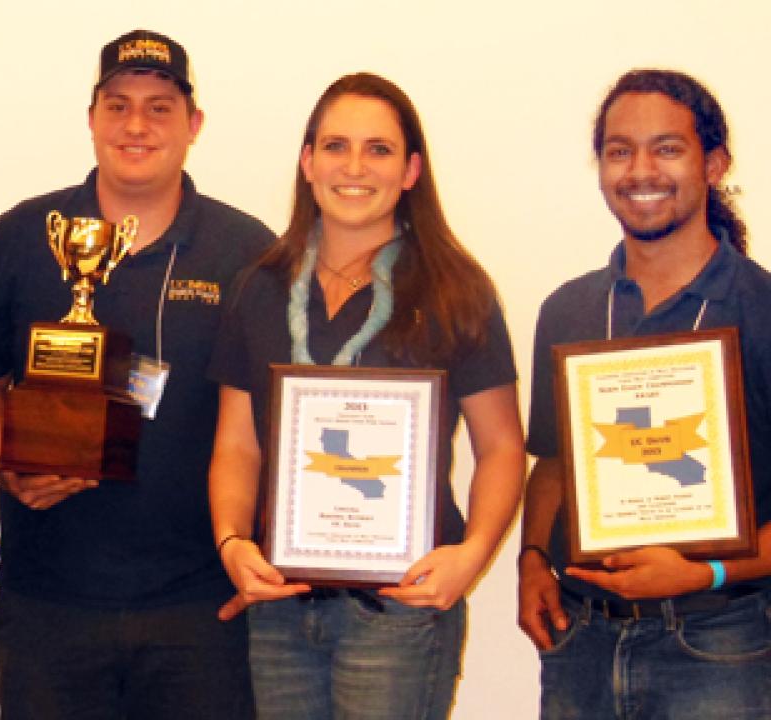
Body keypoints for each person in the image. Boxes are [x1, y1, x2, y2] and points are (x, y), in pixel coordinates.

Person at [0, 28, 275, 719]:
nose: (136, 126)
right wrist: (2, 464)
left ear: (194, 124)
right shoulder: (26, 233)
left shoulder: (246, 249)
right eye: (118, 105)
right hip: (49, 603)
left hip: (198, 605)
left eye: (160, 108)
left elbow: (265, 419)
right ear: (92, 117)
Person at [208, 73, 525, 719]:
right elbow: (237, 445)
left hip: (399, 609)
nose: (354, 167)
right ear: (307, 162)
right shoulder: (259, 287)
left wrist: (470, 557)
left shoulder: (456, 289)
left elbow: (501, 447)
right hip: (278, 607)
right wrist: (232, 543)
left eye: (378, 149)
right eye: (336, 146)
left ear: (410, 171)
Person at [517, 69, 771, 719]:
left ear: (713, 164)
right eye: (619, 151)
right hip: (581, 638)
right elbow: (552, 462)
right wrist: (533, 560)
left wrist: (706, 572)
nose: (640, 171)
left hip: (720, 640)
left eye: (667, 149)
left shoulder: (762, 308)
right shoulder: (569, 309)